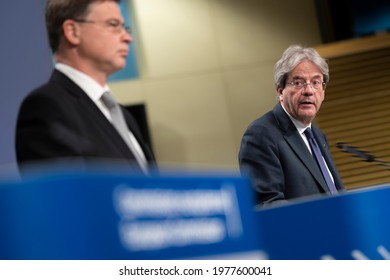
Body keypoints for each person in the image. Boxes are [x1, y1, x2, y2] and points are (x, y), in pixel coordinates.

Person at [15, 0, 156, 176]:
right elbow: (65, 195)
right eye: (113, 25)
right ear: (73, 31)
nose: (128, 38)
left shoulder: (125, 117)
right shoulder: (46, 107)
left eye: (125, 28)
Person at [239, 45, 344, 207]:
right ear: (280, 91)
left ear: (323, 91)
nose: (309, 91)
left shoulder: (317, 135)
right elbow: (267, 204)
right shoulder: (261, 134)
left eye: (316, 82)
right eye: (298, 82)